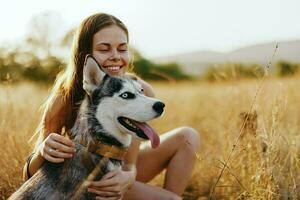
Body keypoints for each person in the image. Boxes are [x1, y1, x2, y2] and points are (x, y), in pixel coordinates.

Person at [23, 13, 200, 200]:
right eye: (104, 49)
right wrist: (43, 150)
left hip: (121, 172)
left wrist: (129, 177)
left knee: (188, 137)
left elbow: (130, 164)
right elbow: (30, 176)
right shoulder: (64, 97)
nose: (116, 56)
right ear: (85, 54)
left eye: (122, 49)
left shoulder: (142, 91)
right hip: (87, 176)